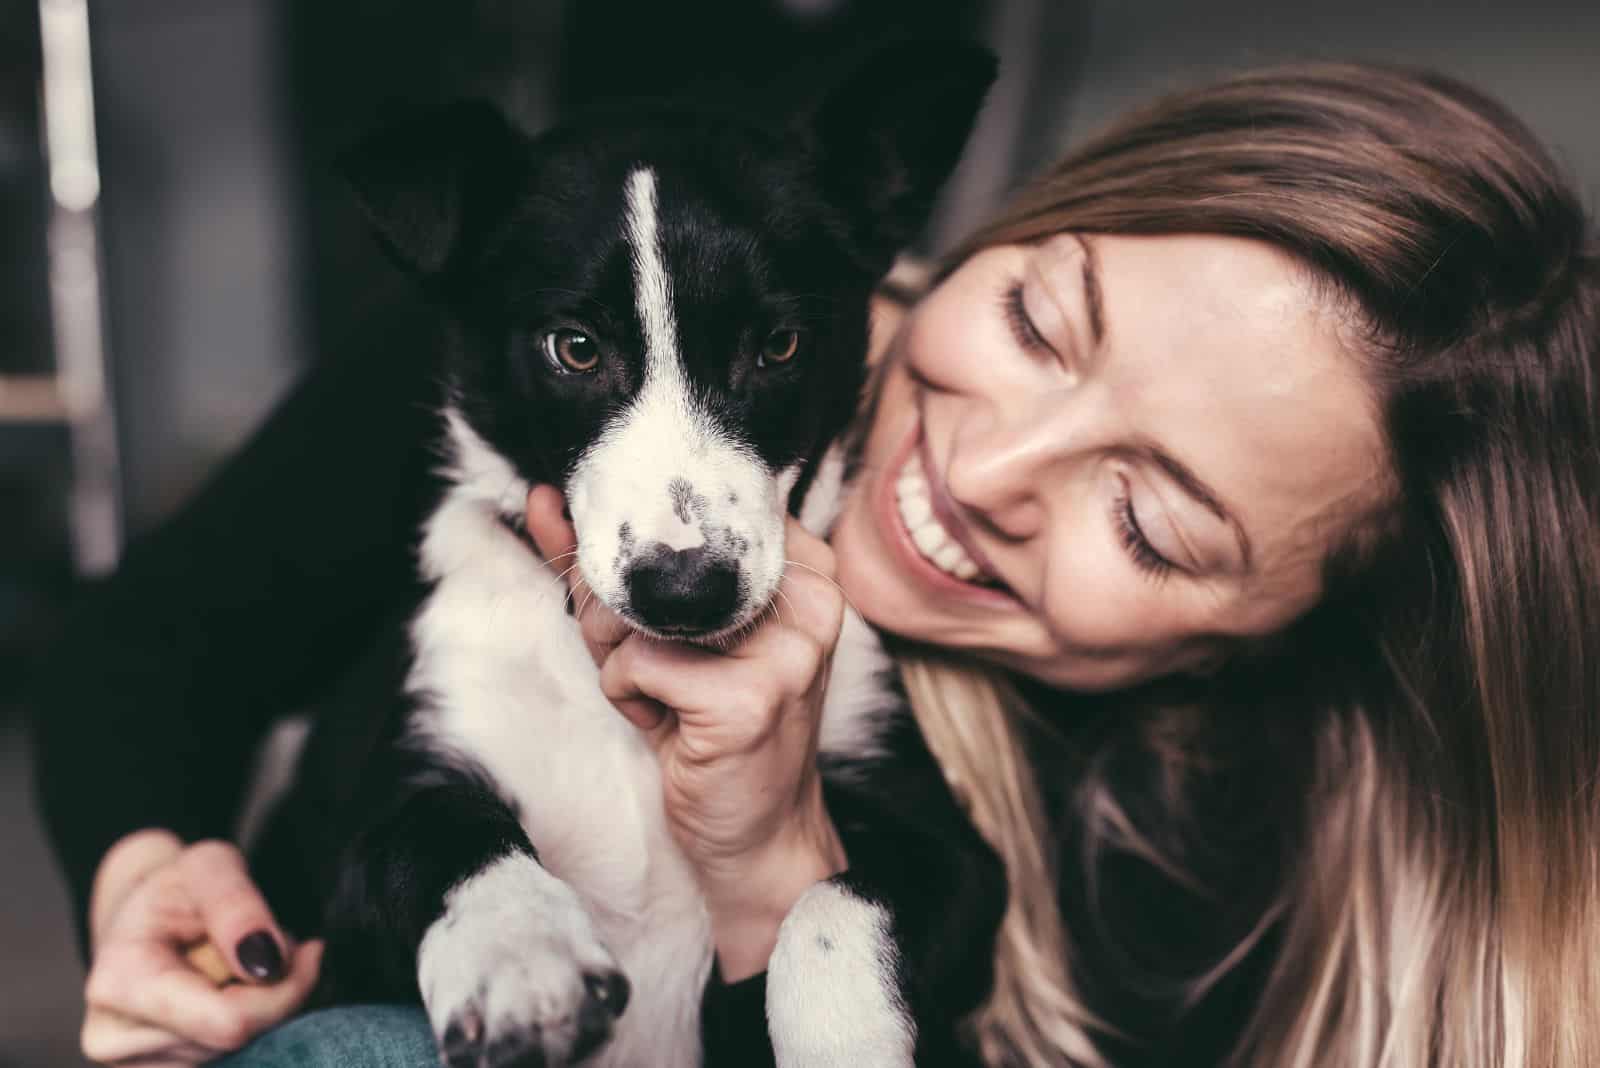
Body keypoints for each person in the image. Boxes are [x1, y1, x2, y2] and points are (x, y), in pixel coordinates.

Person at [31, 60, 1600, 1068]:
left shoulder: (1215, 887)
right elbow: (153, 647)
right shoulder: (550, 332)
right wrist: (143, 881)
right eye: (1043, 323)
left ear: (1267, 648)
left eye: (1151, 525)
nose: (978, 474)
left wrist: (777, 863)